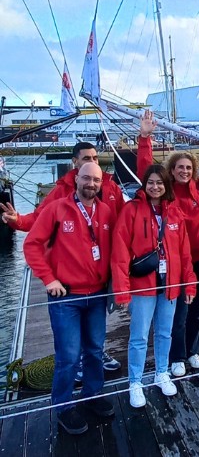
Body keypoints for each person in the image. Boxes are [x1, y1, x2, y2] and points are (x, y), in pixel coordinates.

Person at [0, 142, 123, 373]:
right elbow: (38, 220)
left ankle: (96, 354)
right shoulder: (61, 191)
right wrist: (17, 220)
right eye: (87, 158)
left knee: (97, 327)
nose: (92, 162)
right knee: (69, 341)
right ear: (75, 163)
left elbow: (124, 224)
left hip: (101, 274)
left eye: (95, 158)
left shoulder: (111, 188)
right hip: (68, 279)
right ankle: (72, 368)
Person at [137, 110, 199, 377]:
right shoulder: (166, 192)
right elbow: (146, 171)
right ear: (172, 170)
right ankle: (177, 356)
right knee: (179, 310)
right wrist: (144, 137)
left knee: (196, 309)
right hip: (175, 260)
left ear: (193, 171)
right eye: (180, 168)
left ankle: (192, 352)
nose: (184, 171)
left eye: (188, 168)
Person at [23, 162, 114, 435]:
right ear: (76, 179)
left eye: (96, 180)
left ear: (101, 183)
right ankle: (63, 406)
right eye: (86, 178)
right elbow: (32, 245)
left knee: (95, 350)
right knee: (68, 356)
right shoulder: (56, 209)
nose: (91, 184)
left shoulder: (106, 211)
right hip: (67, 298)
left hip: (97, 295)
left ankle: (92, 395)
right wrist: (48, 279)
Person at [111, 164, 197, 408]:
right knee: (138, 336)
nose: (155, 187)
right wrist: (122, 290)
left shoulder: (175, 212)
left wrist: (189, 285)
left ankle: (162, 372)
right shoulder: (131, 210)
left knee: (164, 333)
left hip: (169, 286)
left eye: (160, 183)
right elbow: (120, 253)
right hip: (142, 286)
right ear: (144, 184)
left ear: (166, 185)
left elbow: (185, 253)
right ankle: (135, 382)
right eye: (151, 182)